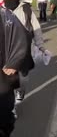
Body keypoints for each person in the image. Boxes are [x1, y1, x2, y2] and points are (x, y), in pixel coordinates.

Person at [2, 0, 43, 115]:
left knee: (23, 78)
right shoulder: (1, 10)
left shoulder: (26, 9)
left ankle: (21, 90)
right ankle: (11, 107)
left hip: (23, 50)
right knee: (7, 80)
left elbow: (36, 28)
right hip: (6, 51)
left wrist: (40, 45)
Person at [0, 7, 32, 136]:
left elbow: (24, 36)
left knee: (3, 115)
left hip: (2, 76)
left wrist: (14, 62)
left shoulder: (5, 16)